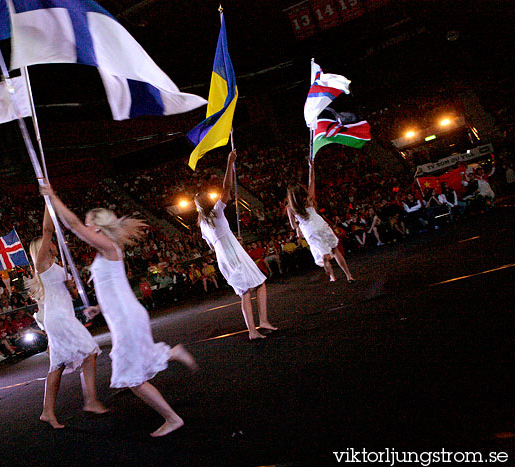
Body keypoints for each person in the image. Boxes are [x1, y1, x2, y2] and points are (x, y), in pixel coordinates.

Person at [42, 182, 198, 437]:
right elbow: (116, 290)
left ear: (97, 226)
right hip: (125, 315)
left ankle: (172, 418)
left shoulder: (108, 247)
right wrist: (98, 308)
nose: (86, 226)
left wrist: (53, 197)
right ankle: (172, 353)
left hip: (127, 319)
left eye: (89, 223)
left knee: (132, 379)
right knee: (136, 368)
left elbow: (73, 226)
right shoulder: (106, 251)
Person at [26, 203, 108, 428]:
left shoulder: (57, 265)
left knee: (58, 365)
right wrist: (47, 202)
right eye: (47, 243)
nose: (51, 243)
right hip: (59, 318)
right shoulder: (42, 265)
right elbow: (47, 231)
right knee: (90, 352)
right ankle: (90, 400)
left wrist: (71, 287)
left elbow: (71, 295)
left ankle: (47, 412)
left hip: (62, 314)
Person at [195, 150, 277, 340]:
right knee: (258, 285)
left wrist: (231, 239)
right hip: (233, 253)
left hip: (225, 256)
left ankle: (254, 329)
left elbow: (215, 244)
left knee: (246, 291)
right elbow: (227, 188)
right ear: (208, 202)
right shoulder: (217, 211)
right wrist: (229, 163)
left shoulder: (202, 225)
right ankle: (258, 325)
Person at [286, 163, 355, 283]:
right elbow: (311, 181)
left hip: (309, 230)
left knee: (322, 253)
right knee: (335, 250)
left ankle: (331, 274)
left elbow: (293, 226)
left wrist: (297, 228)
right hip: (319, 224)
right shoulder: (308, 199)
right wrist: (311, 167)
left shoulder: (290, 208)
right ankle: (348, 275)